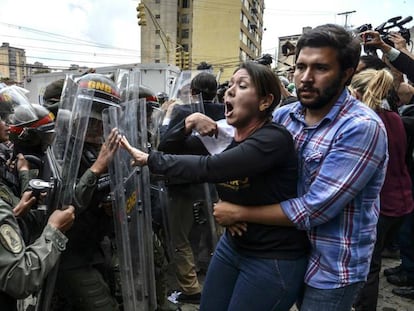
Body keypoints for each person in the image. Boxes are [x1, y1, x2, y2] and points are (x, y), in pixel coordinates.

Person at [212, 24, 388, 311]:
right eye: (300, 67)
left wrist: (239, 212)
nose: (305, 78)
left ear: (346, 73)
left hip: (330, 266)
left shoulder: (361, 128)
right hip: (278, 250)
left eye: (320, 68)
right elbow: (249, 158)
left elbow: (314, 209)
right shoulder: (285, 115)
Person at [121, 61, 310, 311]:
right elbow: (169, 148)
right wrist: (189, 121)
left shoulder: (273, 138)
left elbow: (211, 168)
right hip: (232, 247)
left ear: (265, 102)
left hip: (272, 257)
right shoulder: (226, 137)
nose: (229, 91)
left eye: (241, 86)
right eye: (229, 85)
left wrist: (149, 160)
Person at [51, 73, 122, 311]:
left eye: (101, 121)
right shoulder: (60, 148)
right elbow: (65, 203)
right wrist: (97, 167)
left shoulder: (101, 147)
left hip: (97, 246)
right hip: (71, 255)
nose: (97, 128)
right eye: (90, 121)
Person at [348, 68, 414, 310]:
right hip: (402, 200)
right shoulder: (394, 118)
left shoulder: (364, 123)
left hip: (381, 205)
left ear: (354, 92)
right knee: (371, 264)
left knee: (367, 267)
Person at [157, 71, 224, 305]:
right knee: (215, 233)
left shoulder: (184, 112)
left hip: (183, 185)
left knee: (180, 238)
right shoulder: (225, 112)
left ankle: (191, 288)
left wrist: (168, 116)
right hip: (215, 184)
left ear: (193, 92)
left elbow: (163, 144)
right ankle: (218, 278)